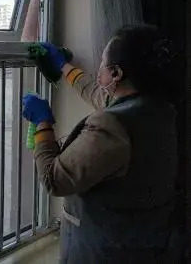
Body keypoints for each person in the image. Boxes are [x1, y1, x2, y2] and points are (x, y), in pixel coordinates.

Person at [22, 25, 179, 263]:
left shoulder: (112, 124)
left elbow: (54, 179)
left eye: (103, 63)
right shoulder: (157, 107)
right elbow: (99, 94)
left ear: (116, 73)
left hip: (105, 251)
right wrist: (63, 66)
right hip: (145, 242)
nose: (98, 70)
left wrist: (42, 123)